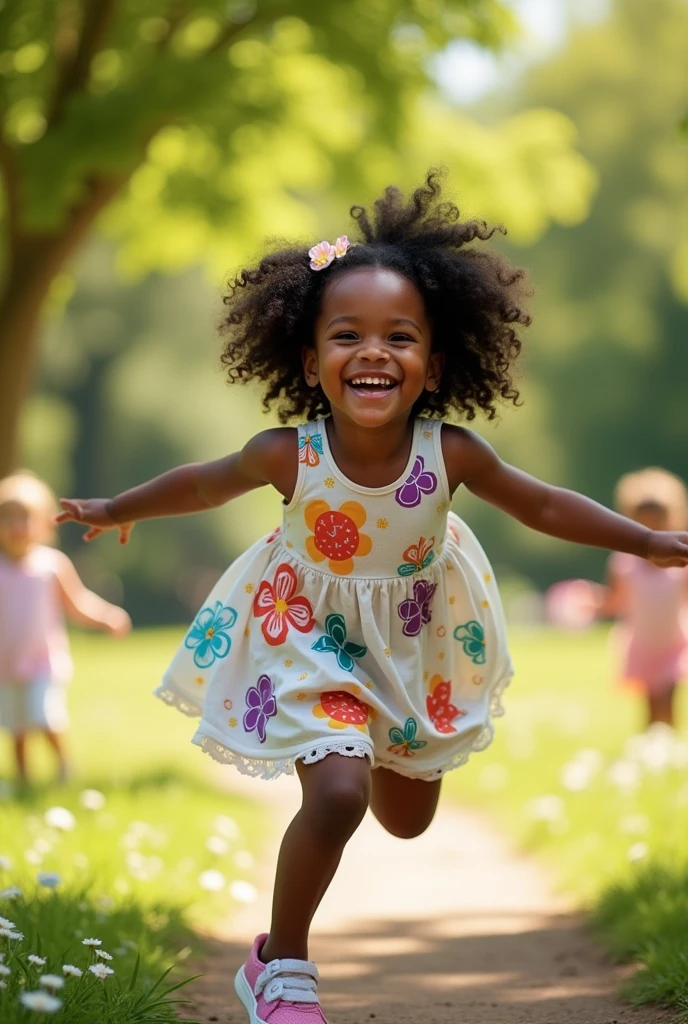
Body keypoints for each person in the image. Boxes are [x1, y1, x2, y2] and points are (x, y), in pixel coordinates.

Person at [56, 174, 688, 1024]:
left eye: (401, 336)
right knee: (339, 796)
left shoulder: (451, 453)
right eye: (347, 335)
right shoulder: (289, 454)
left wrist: (644, 540)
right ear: (311, 363)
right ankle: (282, 969)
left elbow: (541, 504)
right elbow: (205, 485)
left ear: (433, 365)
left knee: (405, 818)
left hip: (417, 641)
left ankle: (386, 771)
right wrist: (117, 507)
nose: (374, 351)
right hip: (308, 636)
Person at [0, 472, 131, 785]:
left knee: (44, 716)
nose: (17, 527)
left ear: (45, 524)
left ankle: (63, 766)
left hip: (42, 662)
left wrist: (107, 616)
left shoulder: (50, 566)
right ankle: (23, 779)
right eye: (8, 518)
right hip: (5, 665)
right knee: (16, 726)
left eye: (25, 518)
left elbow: (78, 603)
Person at [605, 468, 688, 729]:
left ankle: (668, 742)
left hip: (672, 641)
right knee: (650, 700)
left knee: (668, 695)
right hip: (642, 642)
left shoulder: (680, 561)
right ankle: (652, 743)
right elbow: (617, 600)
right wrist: (593, 603)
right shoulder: (624, 563)